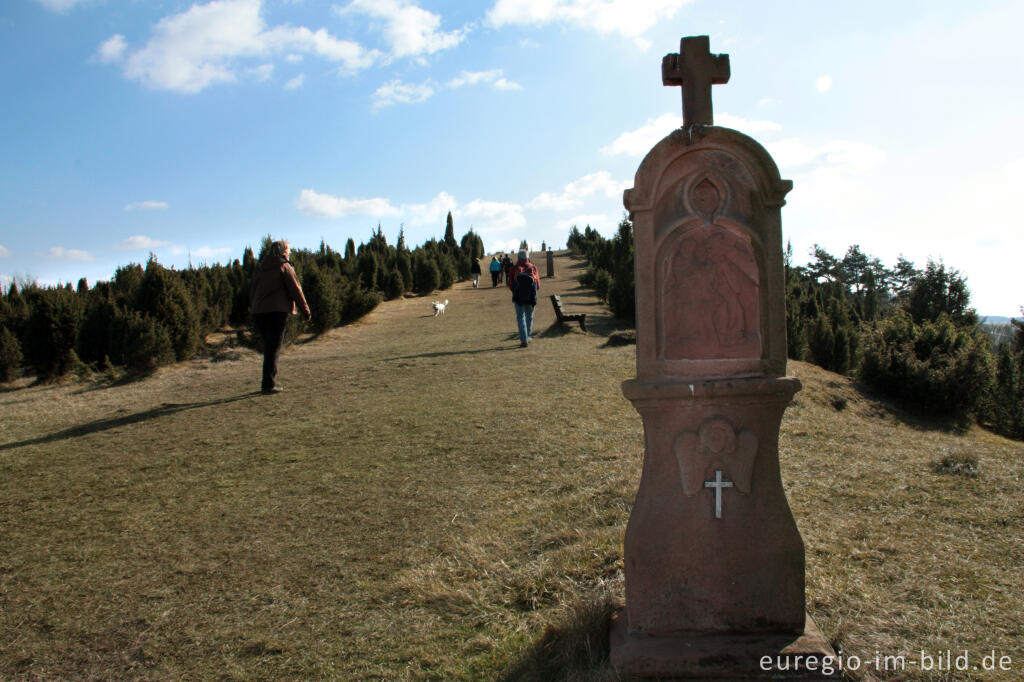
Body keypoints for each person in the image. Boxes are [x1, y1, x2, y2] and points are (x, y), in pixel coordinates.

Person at [250, 240, 311, 394]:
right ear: (283, 251)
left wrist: (254, 308)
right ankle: (268, 385)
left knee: (269, 348)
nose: (289, 253)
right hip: (277, 312)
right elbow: (296, 290)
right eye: (288, 250)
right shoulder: (284, 266)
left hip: (259, 313)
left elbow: (253, 290)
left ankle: (267, 382)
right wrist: (305, 311)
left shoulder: (261, 268)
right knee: (273, 348)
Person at [508, 249, 540, 347]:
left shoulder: (514, 269)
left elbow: (510, 285)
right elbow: (538, 285)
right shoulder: (533, 267)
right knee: (529, 317)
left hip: (518, 298)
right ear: (527, 257)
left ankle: (523, 339)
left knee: (520, 318)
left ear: (518, 257)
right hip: (531, 298)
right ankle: (527, 336)